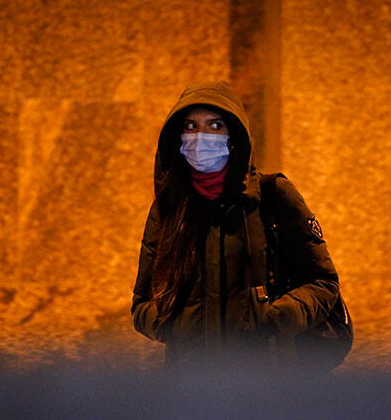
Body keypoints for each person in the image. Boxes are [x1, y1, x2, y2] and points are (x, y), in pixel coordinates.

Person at [131, 81, 340, 368]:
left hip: (266, 375)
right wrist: (172, 325)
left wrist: (276, 317)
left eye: (215, 125)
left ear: (233, 135)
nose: (201, 136)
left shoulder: (273, 196)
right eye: (191, 126)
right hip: (190, 379)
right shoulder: (170, 207)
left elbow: (323, 282)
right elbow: (142, 303)